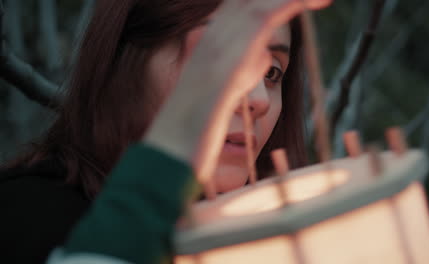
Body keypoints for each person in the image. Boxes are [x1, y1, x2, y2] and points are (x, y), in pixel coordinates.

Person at [0, 0, 332, 263]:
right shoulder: (23, 219)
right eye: (215, 57)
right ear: (127, 62)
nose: (258, 99)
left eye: (272, 72)